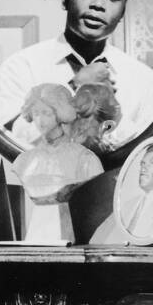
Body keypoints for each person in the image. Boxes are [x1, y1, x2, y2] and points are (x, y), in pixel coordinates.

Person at [0, 0, 153, 148]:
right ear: (65, 0)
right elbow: (13, 140)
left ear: (123, 13)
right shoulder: (21, 66)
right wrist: (74, 88)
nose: (98, 4)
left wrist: (112, 111)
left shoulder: (142, 78)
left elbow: (149, 149)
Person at [11, 84, 103, 245]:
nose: (40, 120)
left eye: (46, 113)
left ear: (61, 114)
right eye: (36, 113)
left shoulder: (85, 160)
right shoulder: (23, 162)